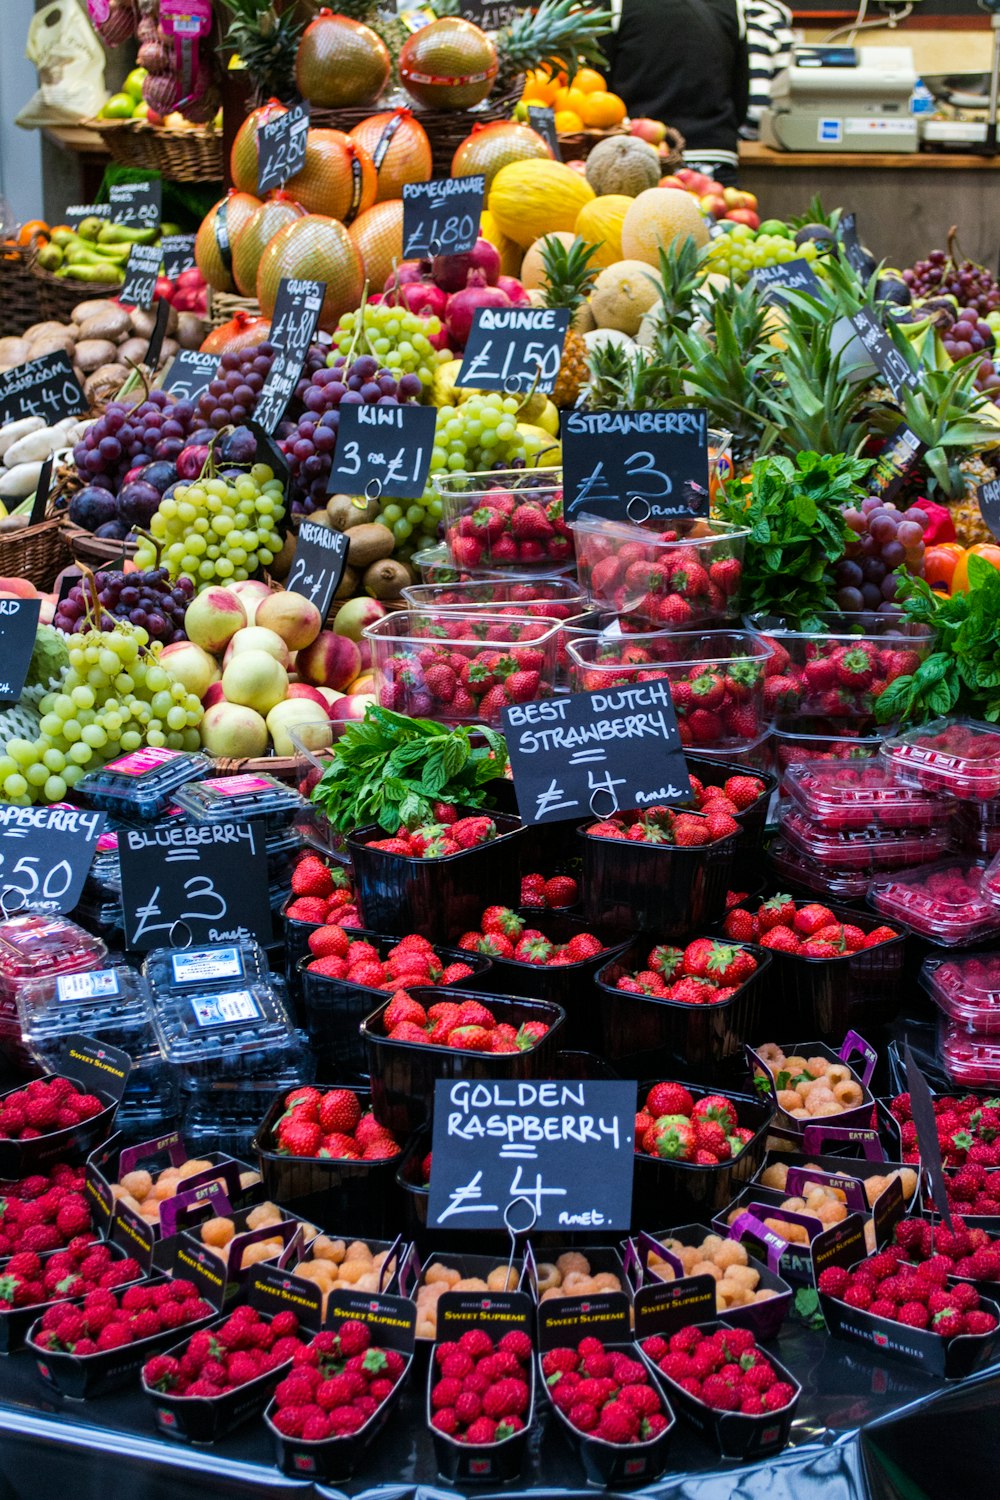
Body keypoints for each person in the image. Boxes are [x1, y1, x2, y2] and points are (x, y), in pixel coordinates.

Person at [600, 0, 750, 185]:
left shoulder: (618, 5)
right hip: (713, 156)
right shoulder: (733, 5)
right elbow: (741, 97)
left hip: (637, 157)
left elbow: (600, 95)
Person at [741, 0, 796, 137]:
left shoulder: (754, 24)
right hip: (775, 135)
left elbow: (757, 110)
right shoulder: (776, 26)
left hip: (743, 143)